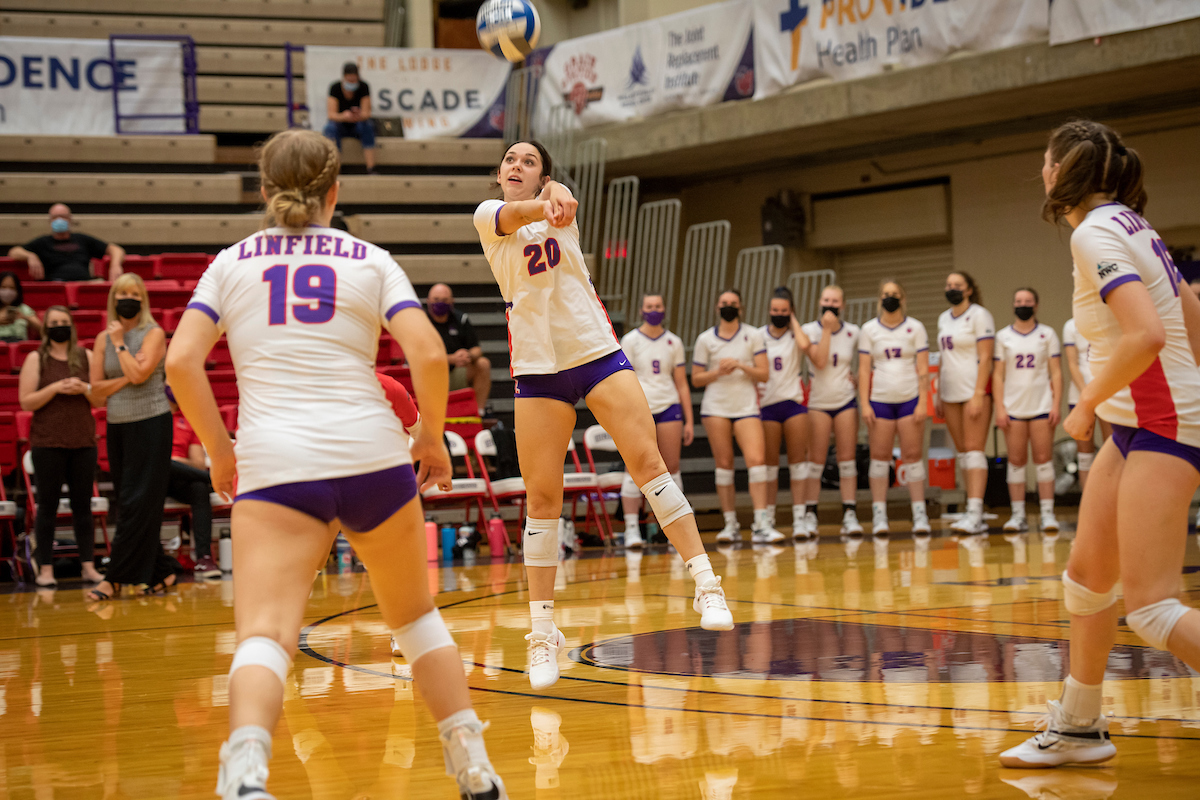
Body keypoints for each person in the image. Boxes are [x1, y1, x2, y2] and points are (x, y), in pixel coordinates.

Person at [167, 129, 506, 799]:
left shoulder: (230, 263)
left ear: (264, 191)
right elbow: (431, 355)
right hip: (373, 455)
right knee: (414, 618)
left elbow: (180, 362)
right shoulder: (370, 259)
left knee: (266, 632)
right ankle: (472, 762)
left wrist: (222, 451)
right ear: (335, 191)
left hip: (277, 462)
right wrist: (433, 439)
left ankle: (244, 773)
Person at [474, 140, 733, 691]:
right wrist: (546, 199)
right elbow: (522, 211)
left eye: (529, 162)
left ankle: (706, 581)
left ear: (543, 174)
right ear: (499, 174)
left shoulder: (559, 204)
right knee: (543, 499)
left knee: (649, 462)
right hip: (538, 369)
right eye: (510, 161)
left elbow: (560, 198)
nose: (516, 167)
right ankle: (543, 632)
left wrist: (559, 194)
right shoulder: (490, 216)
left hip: (595, 353)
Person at [1000, 120, 1200, 769]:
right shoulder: (1132, 226)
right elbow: (1191, 311)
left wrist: (1084, 403)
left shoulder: (1095, 232)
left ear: (1063, 171)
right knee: (1088, 580)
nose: (1041, 171)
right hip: (1141, 423)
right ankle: (1080, 727)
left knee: (1152, 608)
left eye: (1045, 160)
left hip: (1163, 422)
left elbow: (1146, 334)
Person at [85, 274, 176, 602]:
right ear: (113, 298)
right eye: (122, 292)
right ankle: (162, 570)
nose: (128, 298)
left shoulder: (152, 334)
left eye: (134, 293)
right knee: (130, 502)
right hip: (118, 427)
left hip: (151, 423)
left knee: (138, 504)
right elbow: (95, 394)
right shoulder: (100, 339)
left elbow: (141, 375)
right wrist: (127, 375)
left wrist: (121, 344)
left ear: (142, 299)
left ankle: (114, 579)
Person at [17, 306, 106, 586]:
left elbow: (100, 400)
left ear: (72, 326)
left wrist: (85, 389)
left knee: (83, 506)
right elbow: (26, 401)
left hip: (82, 441)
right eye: (54, 322)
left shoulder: (86, 356)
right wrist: (56, 388)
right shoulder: (36, 358)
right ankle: (45, 569)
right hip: (48, 442)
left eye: (64, 322)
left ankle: (89, 566)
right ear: (46, 328)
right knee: (47, 507)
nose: (59, 326)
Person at [693, 289, 780, 544]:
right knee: (724, 465)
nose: (728, 306)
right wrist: (718, 371)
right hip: (716, 407)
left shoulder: (753, 335)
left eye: (733, 303)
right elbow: (697, 378)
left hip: (745, 407)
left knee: (757, 460)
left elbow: (764, 374)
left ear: (740, 308)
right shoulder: (705, 339)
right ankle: (730, 524)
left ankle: (761, 523)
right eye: (724, 303)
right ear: (716, 307)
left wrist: (740, 365)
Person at [618, 293, 694, 547]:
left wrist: (689, 420)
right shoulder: (630, 340)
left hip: (669, 406)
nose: (654, 310)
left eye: (658, 306)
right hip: (641, 408)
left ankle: (677, 531)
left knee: (672, 468)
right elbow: (622, 380)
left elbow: (682, 384)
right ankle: (631, 530)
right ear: (641, 310)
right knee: (636, 467)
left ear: (664, 309)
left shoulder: (674, 342)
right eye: (649, 306)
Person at [858, 280, 931, 535]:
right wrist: (864, 403)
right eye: (886, 294)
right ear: (880, 299)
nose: (890, 298)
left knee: (912, 456)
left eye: (895, 294)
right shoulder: (868, 330)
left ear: (903, 298)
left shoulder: (915, 328)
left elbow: (923, 369)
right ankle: (879, 515)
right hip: (880, 401)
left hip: (910, 399)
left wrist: (923, 401)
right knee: (879, 458)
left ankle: (919, 514)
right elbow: (864, 369)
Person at [994, 289, 1063, 533]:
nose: (1023, 305)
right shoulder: (1003, 337)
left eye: (1028, 301)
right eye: (1019, 301)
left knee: (1043, 460)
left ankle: (1047, 514)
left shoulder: (1047, 335)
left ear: (1036, 305)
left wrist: (1056, 404)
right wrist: (999, 407)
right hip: (1013, 408)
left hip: (1042, 406)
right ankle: (1018, 515)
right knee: (1015, 461)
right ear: (1013, 305)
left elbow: (1055, 372)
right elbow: (998, 375)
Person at [936, 271, 995, 534]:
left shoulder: (979, 315)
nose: (952, 289)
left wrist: (979, 393)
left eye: (957, 285)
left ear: (969, 289)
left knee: (974, 450)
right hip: (950, 392)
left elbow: (986, 357)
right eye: (948, 285)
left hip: (973, 390)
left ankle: (975, 511)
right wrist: (938, 393)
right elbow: (943, 359)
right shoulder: (942, 318)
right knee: (962, 453)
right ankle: (972, 509)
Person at [801, 285, 863, 536]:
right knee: (815, 463)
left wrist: (859, 378)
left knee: (847, 462)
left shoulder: (854, 332)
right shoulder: (808, 330)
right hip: (818, 403)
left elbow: (871, 361)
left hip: (845, 401)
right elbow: (820, 360)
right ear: (819, 302)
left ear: (843, 305)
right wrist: (827, 329)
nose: (830, 305)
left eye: (835, 301)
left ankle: (849, 513)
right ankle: (810, 514)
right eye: (826, 300)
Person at [757, 287, 813, 540]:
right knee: (769, 467)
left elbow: (805, 345)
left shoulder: (797, 334)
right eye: (775, 310)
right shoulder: (758, 336)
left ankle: (799, 520)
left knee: (798, 464)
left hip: (794, 403)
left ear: (791, 312)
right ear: (768, 311)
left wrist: (793, 321)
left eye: (784, 311)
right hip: (767, 405)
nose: (778, 314)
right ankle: (768, 519)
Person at [164, 386, 221, 579]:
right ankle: (215, 481)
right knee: (162, 462)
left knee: (199, 488)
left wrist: (176, 461)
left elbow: (197, 463)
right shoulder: (152, 418)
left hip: (182, 479)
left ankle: (204, 558)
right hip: (156, 478)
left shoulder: (188, 421)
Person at [7, 204, 124, 281]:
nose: (59, 220)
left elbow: (116, 249)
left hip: (85, 284)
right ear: (50, 221)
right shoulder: (42, 242)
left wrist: (115, 265)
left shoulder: (82, 239)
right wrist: (30, 256)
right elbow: (14, 252)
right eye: (55, 217)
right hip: (56, 286)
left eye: (63, 217)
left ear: (70, 219)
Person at [426, 283, 492, 416]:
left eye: (444, 300)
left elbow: (476, 349)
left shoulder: (460, 319)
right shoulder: (421, 321)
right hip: (431, 375)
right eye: (436, 300)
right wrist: (451, 359)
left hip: (457, 373)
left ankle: (478, 413)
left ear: (452, 302)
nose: (440, 303)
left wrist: (467, 356)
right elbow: (419, 357)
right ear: (428, 302)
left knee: (483, 363)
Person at [1062, 317, 1109, 493]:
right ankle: (1087, 505)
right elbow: (1072, 363)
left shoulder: (1109, 319)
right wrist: (1086, 393)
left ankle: (1109, 502)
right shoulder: (1071, 325)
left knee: (1111, 449)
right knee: (1084, 455)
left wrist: (1103, 388)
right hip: (1079, 395)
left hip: (1107, 392)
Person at [323, 63, 377, 174]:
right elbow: (331, 114)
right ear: (344, 77)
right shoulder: (335, 88)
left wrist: (358, 115)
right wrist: (343, 116)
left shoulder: (363, 87)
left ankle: (371, 167)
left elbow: (367, 113)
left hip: (358, 124)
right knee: (330, 128)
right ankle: (335, 168)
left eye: (354, 80)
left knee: (368, 127)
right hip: (341, 124)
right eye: (349, 80)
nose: (351, 83)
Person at [0, 272, 41, 342]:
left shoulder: (24, 309)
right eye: (3, 287)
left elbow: (42, 329)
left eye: (12, 288)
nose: (7, 291)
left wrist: (25, 318)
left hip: (19, 345)